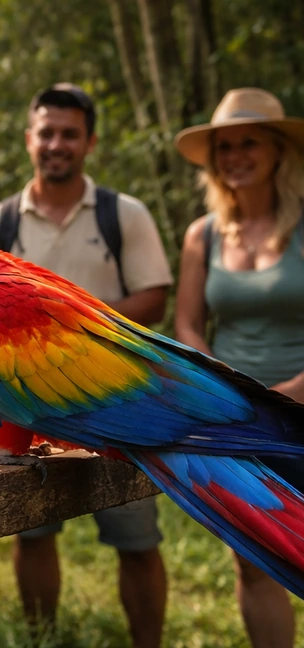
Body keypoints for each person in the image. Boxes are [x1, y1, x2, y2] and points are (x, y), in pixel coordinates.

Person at [0, 84, 171, 648]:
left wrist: (67, 334)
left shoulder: (122, 214)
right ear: (28, 139)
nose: (56, 144)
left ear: (90, 142)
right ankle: (40, 638)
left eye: (69, 134)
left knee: (137, 539)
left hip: (117, 405)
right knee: (32, 534)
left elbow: (154, 297)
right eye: (47, 132)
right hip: (23, 410)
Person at [173, 87, 304, 648]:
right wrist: (217, 387)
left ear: (279, 150)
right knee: (256, 556)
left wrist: (297, 389)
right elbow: (187, 324)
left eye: (248, 142)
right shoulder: (201, 234)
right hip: (237, 418)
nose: (234, 156)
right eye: (223, 147)